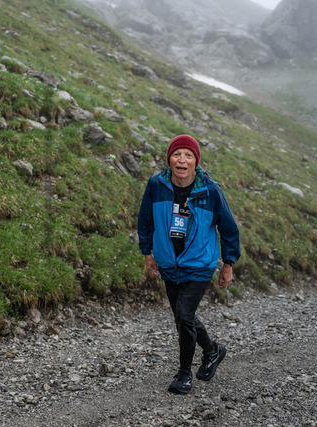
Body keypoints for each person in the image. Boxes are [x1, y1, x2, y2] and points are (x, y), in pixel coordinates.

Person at [137, 134, 240, 394]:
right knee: (183, 318)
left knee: (184, 316)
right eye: (177, 154)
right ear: (169, 159)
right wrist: (147, 253)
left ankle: (184, 374)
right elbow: (145, 220)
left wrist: (228, 263)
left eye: (188, 155)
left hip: (199, 264)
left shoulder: (210, 191)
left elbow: (229, 229)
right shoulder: (156, 185)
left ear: (196, 161)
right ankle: (212, 350)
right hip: (168, 263)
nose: (182, 160)